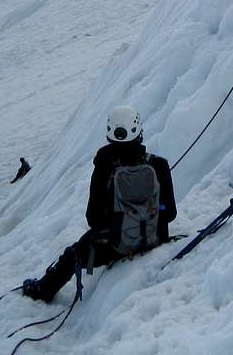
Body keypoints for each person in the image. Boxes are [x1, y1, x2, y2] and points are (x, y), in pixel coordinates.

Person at [21, 106, 177, 303]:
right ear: (139, 131)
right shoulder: (159, 164)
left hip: (116, 246)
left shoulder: (104, 167)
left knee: (73, 254)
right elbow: (169, 212)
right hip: (155, 238)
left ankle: (42, 290)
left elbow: (93, 219)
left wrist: (119, 220)